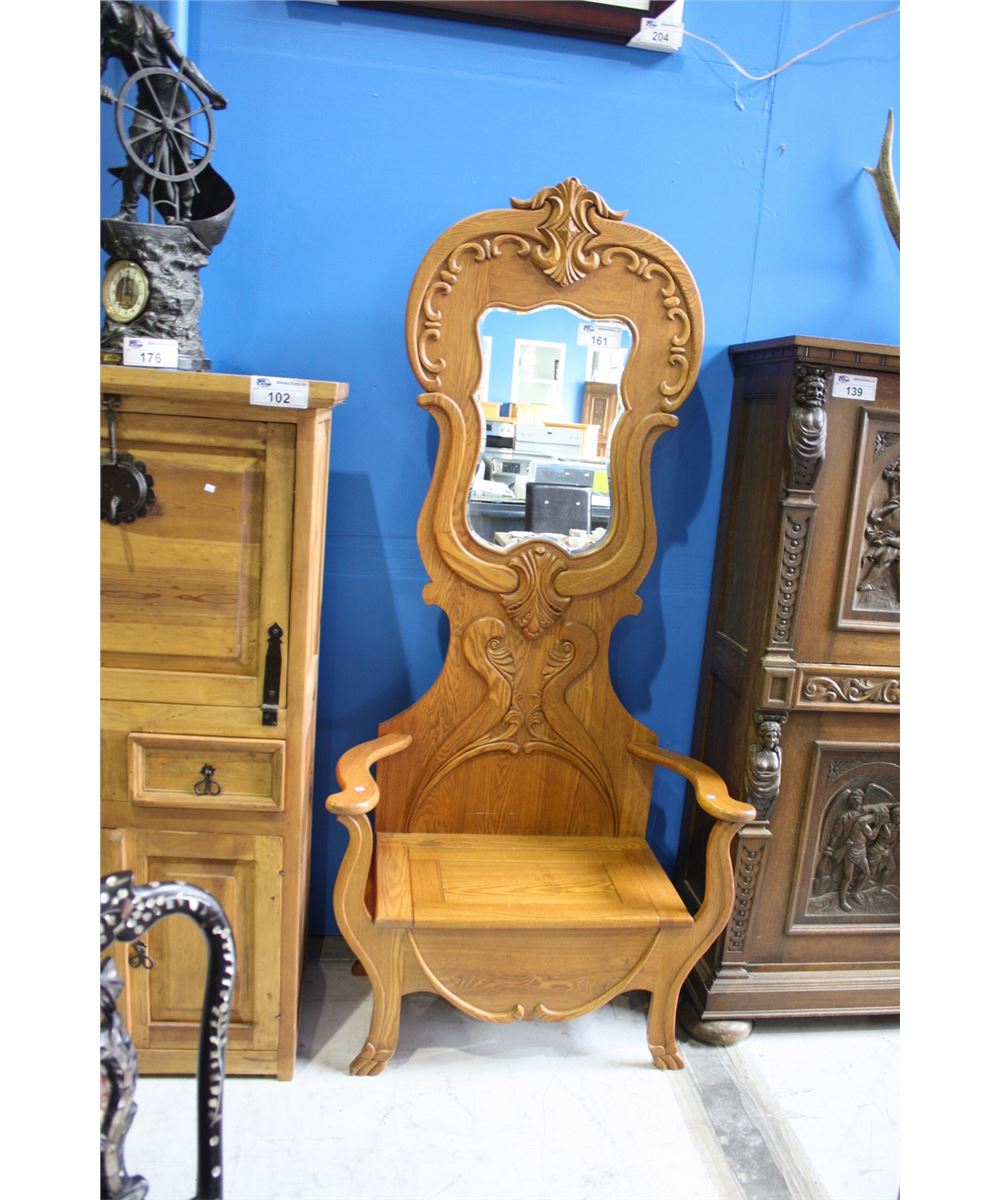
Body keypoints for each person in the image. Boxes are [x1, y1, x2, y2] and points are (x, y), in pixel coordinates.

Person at [101, 1, 227, 222]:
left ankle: (184, 215)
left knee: (182, 161)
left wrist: (210, 92)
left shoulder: (147, 16)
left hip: (173, 98)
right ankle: (128, 210)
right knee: (137, 153)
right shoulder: (106, 32)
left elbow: (181, 61)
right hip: (147, 100)